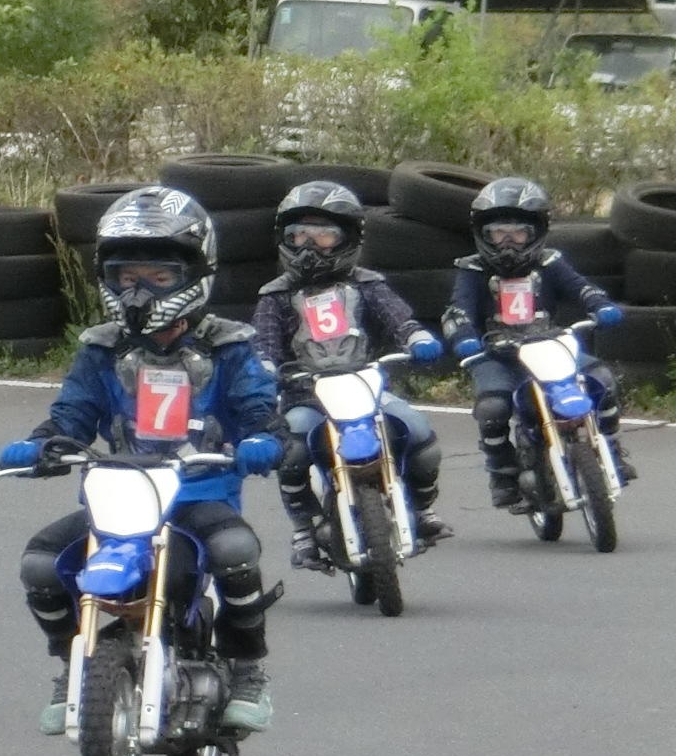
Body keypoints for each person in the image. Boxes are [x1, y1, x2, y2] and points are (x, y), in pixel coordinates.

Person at [0, 186, 284, 733]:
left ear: (195, 273)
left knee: (235, 550)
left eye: (158, 276)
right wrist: (42, 445)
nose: (140, 290)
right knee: (40, 564)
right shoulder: (101, 348)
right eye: (128, 276)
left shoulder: (228, 346)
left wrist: (262, 440)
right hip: (119, 495)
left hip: (198, 492)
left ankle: (249, 670)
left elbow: (257, 409)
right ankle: (70, 665)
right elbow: (73, 414)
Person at [250, 180, 450, 567]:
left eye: (322, 237)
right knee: (291, 450)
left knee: (419, 430)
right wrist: (265, 369)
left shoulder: (367, 284)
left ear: (348, 239)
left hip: (365, 387)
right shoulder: (275, 294)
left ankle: (422, 509)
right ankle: (304, 529)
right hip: (305, 393)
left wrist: (418, 337)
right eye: (299, 236)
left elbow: (399, 319)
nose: (309, 247)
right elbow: (264, 343)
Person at [440, 177, 634, 509]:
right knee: (492, 408)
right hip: (497, 355)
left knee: (601, 379)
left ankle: (612, 448)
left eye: (518, 233)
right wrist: (464, 338)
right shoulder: (472, 269)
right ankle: (502, 473)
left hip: (549, 345)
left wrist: (601, 305)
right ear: (483, 234)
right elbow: (458, 310)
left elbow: (581, 288)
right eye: (498, 234)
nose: (508, 244)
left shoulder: (550, 262)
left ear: (536, 231)